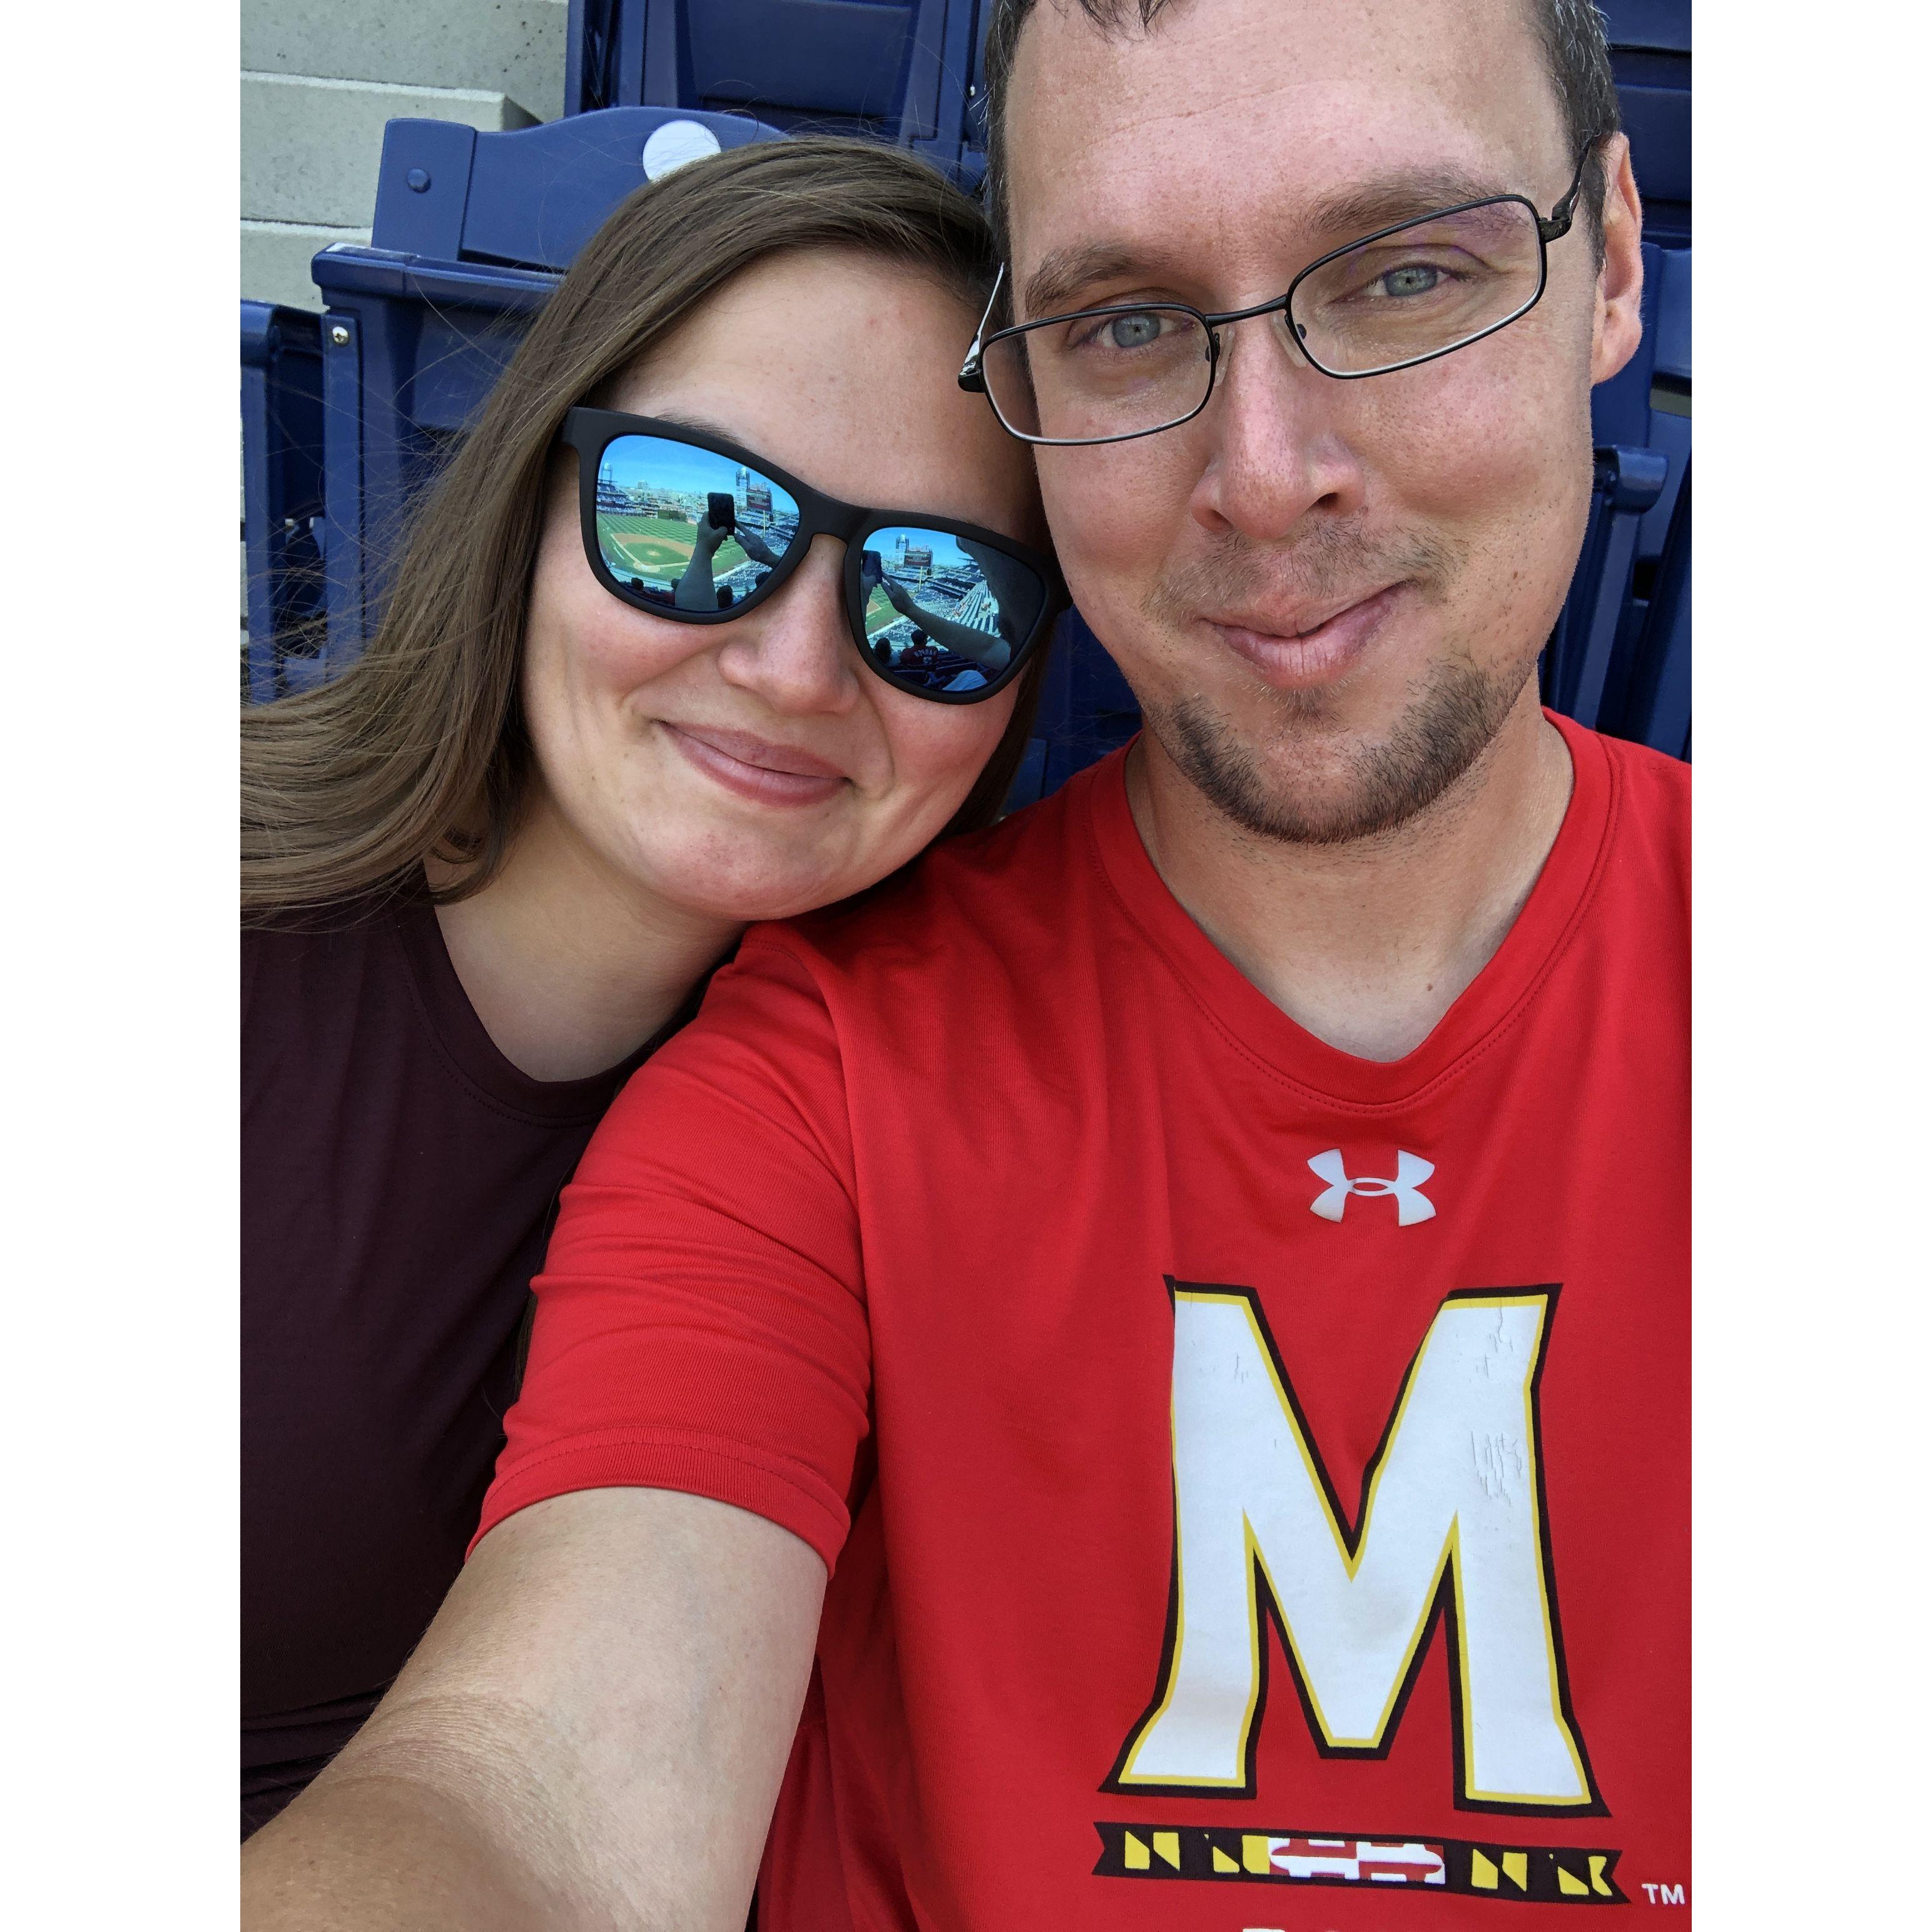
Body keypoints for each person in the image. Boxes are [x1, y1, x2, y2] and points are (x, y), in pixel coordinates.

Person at [242, 3, 1688, 1927]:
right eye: (1129, 321)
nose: (1265, 475)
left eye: (1408, 273)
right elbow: (536, 1803)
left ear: (1613, 265)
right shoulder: (818, 1070)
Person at [238, 137, 1057, 1840]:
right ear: (536, 502)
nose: (793, 666)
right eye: (694, 519)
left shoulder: (935, 1117)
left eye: (938, 598)